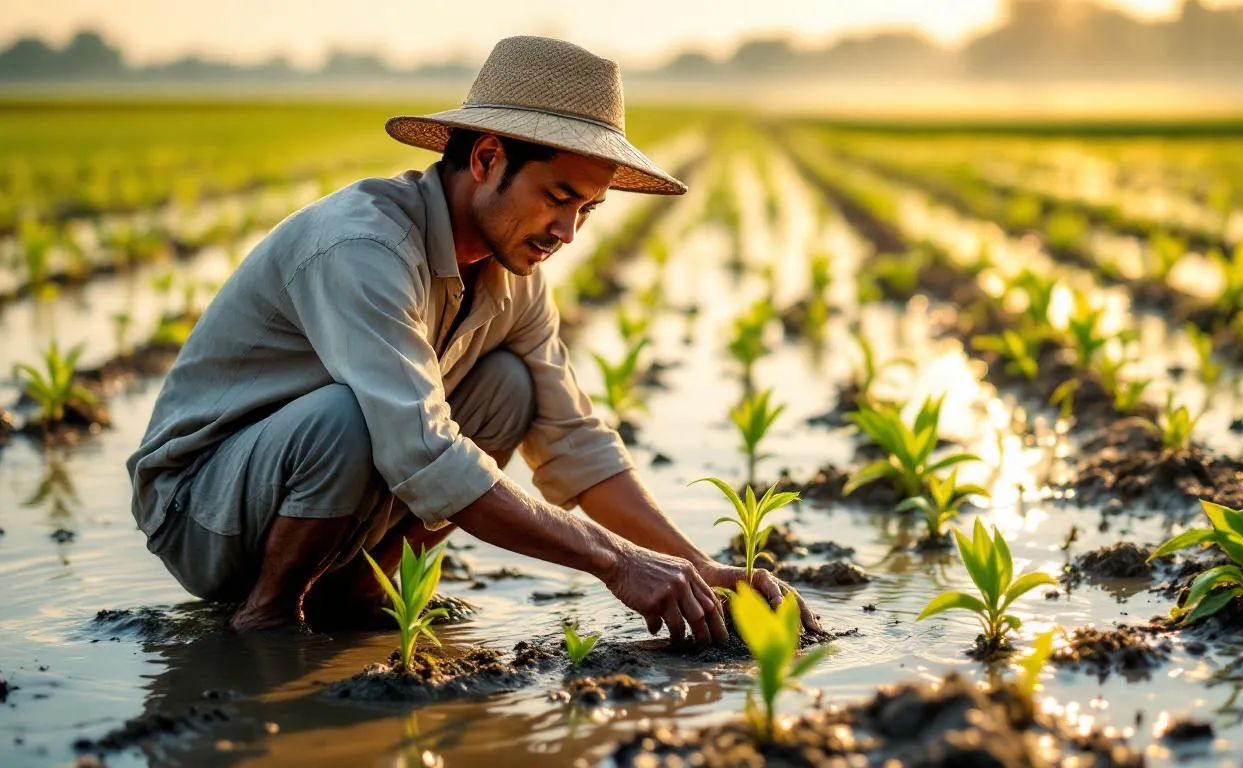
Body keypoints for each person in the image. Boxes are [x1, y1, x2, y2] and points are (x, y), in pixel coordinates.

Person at [126, 35, 820, 642]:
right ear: (487, 157)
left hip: (308, 491)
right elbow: (420, 448)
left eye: (588, 209)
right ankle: (269, 615)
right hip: (204, 511)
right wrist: (614, 561)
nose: (568, 232)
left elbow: (573, 441)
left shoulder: (513, 275)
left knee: (508, 390)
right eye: (557, 197)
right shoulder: (363, 247)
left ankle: (361, 592)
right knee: (343, 418)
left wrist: (700, 567)